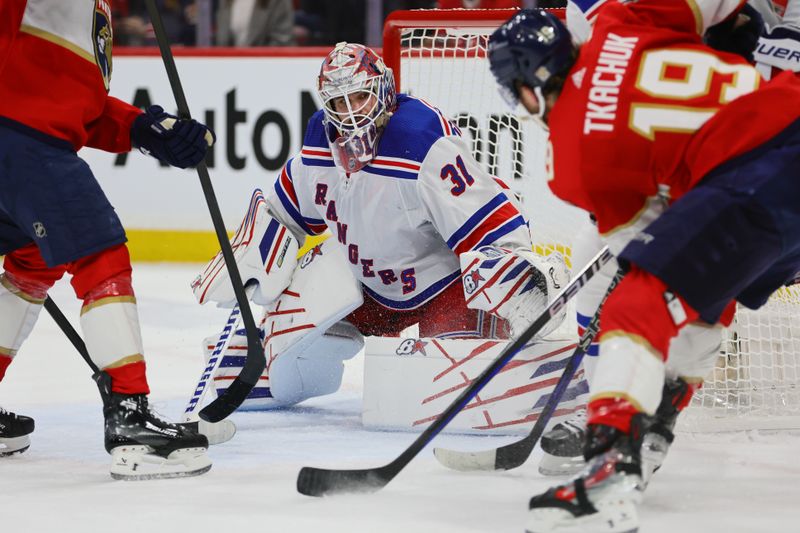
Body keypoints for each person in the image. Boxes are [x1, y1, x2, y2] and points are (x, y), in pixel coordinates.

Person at [489, 2, 800, 531]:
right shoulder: (623, 23)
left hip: (763, 167)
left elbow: (641, 240)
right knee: (707, 291)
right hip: (783, 116)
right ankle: (656, 422)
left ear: (527, 84)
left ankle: (610, 464)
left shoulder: (568, 159)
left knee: (639, 302)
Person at [192, 41, 570, 410]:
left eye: (359, 97)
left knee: (442, 393)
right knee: (272, 367)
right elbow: (285, 215)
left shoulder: (421, 141)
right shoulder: (318, 143)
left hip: (443, 290)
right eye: (339, 103)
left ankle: (512, 364)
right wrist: (252, 254)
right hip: (366, 292)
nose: (350, 114)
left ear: (384, 90)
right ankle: (276, 350)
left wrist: (522, 283)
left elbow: (492, 228)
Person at [0, 1, 215, 480]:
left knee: (33, 259)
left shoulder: (92, 8)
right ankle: (130, 420)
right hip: (19, 139)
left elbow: (77, 108)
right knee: (100, 252)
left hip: (25, 139)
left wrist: (144, 129)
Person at [215, 0, 295, 47]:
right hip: (231, 67)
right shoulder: (224, 2)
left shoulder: (278, 2)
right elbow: (221, 41)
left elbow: (282, 42)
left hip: (267, 67)